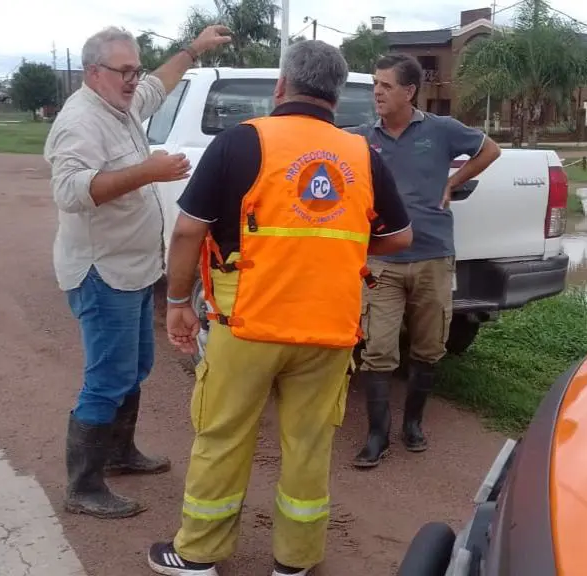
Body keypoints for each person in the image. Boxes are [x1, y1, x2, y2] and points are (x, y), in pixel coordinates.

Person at [146, 40, 413, 576]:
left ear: (280, 86)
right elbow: (399, 237)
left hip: (248, 324)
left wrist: (178, 300)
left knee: (222, 435)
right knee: (310, 445)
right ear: (337, 96)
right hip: (329, 330)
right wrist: (335, 245)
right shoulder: (362, 155)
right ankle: (295, 562)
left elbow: (188, 230)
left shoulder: (239, 143)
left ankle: (198, 554)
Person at [44, 24, 232, 520]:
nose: (134, 80)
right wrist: (148, 172)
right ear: (93, 73)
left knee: (135, 367)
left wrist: (193, 49)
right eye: (124, 71)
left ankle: (119, 454)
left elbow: (158, 84)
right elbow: (69, 190)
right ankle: (83, 485)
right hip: (101, 271)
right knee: (107, 377)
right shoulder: (79, 121)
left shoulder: (121, 103)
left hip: (131, 268)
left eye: (134, 70)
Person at [347, 53, 502, 469]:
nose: (377, 91)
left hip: (434, 255)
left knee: (429, 347)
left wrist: (453, 182)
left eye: (386, 85)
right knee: (377, 348)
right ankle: (377, 434)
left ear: (409, 91)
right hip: (381, 259)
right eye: (375, 84)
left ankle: (412, 424)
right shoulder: (361, 138)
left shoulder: (442, 131)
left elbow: (490, 150)